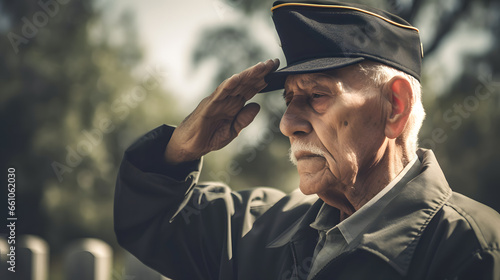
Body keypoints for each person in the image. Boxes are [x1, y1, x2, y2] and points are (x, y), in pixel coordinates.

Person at [114, 1, 500, 279]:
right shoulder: (259, 231)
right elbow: (153, 219)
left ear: (394, 107)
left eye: (317, 96)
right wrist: (180, 150)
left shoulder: (472, 248)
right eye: (288, 99)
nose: (288, 124)